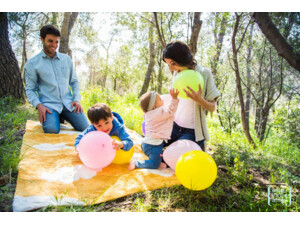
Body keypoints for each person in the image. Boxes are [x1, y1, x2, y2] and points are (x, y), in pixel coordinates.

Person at [24, 24, 89, 134]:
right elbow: (30, 90)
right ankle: (54, 117)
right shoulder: (32, 64)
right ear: (42, 39)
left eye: (56, 42)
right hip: (49, 105)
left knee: (86, 128)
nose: (54, 45)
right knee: (52, 130)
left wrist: (76, 99)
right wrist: (39, 106)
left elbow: (74, 82)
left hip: (68, 104)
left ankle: (61, 116)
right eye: (50, 41)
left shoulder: (66, 59)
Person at [162, 41, 220, 150]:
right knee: (151, 146)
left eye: (173, 63)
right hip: (174, 126)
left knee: (173, 155)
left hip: (192, 131)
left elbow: (212, 108)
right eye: (169, 64)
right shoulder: (177, 73)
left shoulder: (204, 74)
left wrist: (199, 99)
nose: (171, 68)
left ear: (182, 58)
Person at [128, 89, 179, 171]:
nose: (162, 100)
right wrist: (174, 99)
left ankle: (157, 161)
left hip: (146, 144)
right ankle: (137, 163)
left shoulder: (148, 114)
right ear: (155, 106)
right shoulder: (159, 112)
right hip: (154, 146)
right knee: (155, 165)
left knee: (157, 158)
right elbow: (170, 111)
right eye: (160, 99)